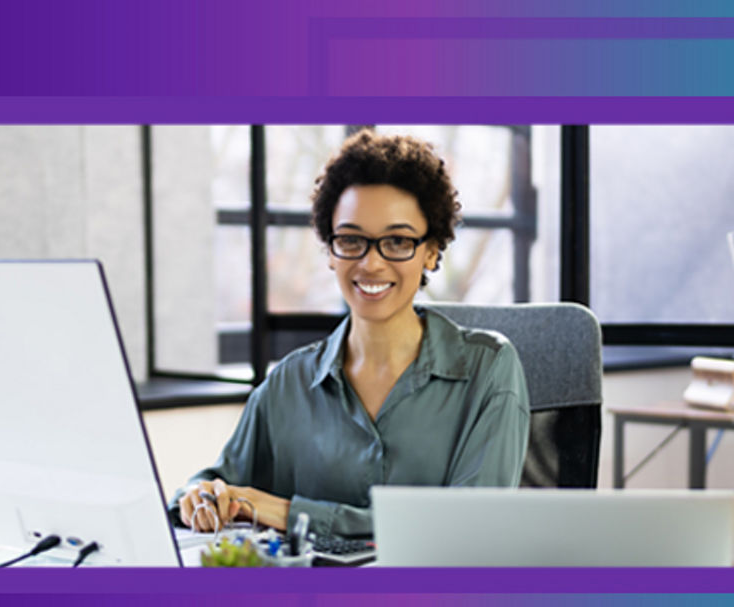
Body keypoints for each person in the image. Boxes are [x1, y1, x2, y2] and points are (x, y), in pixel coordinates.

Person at [171, 131, 530, 538]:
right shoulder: (290, 382)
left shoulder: (489, 370)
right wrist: (199, 496)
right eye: (351, 240)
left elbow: (469, 528)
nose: (371, 263)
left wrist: (289, 513)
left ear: (431, 250)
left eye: (397, 241)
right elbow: (215, 483)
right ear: (330, 250)